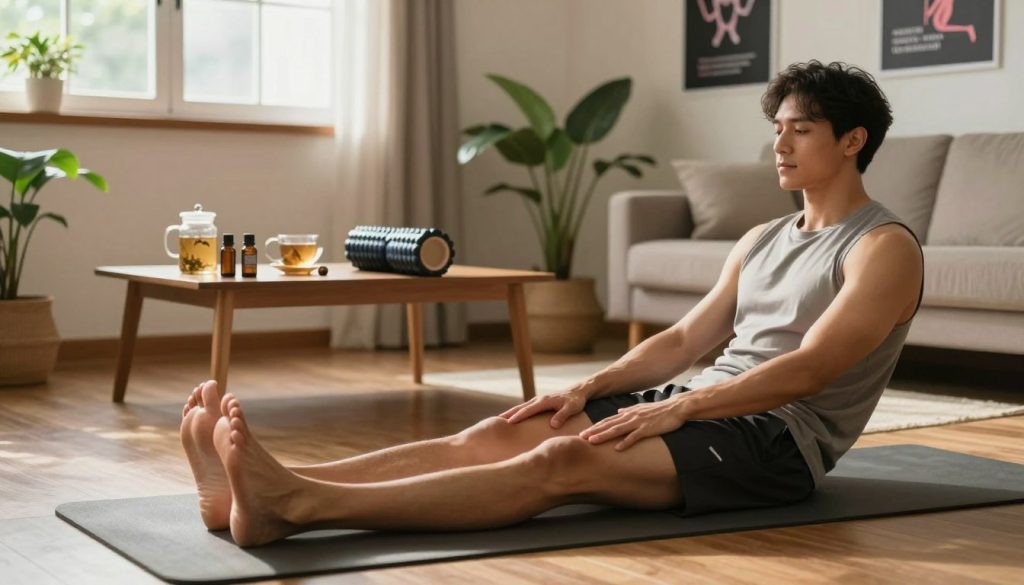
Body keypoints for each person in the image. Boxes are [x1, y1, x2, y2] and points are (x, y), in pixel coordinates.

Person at [180, 60, 924, 547]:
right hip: (698, 403)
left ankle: (298, 505)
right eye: (776, 129)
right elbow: (685, 338)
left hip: (774, 442)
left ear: (854, 140)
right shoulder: (765, 235)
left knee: (560, 460)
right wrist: (591, 385)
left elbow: (810, 368)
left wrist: (683, 409)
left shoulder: (882, 247)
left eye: (801, 129)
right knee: (506, 429)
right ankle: (261, 493)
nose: (780, 145)